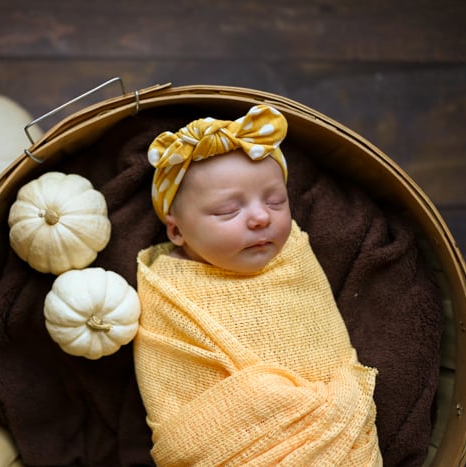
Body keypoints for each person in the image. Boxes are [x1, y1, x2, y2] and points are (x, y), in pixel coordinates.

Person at [133, 105, 382, 466]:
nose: (262, 217)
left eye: (275, 201)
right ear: (177, 231)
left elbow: (324, 342)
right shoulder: (166, 287)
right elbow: (169, 379)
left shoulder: (293, 253)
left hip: (339, 431)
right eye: (227, 211)